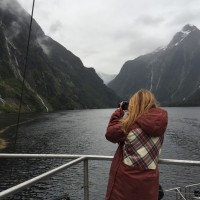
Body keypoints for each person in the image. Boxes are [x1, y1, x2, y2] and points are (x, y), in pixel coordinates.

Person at [105, 89, 168, 200]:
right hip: (149, 187)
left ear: (135, 105)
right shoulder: (160, 126)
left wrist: (119, 112)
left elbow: (110, 134)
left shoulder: (130, 124)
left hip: (125, 187)